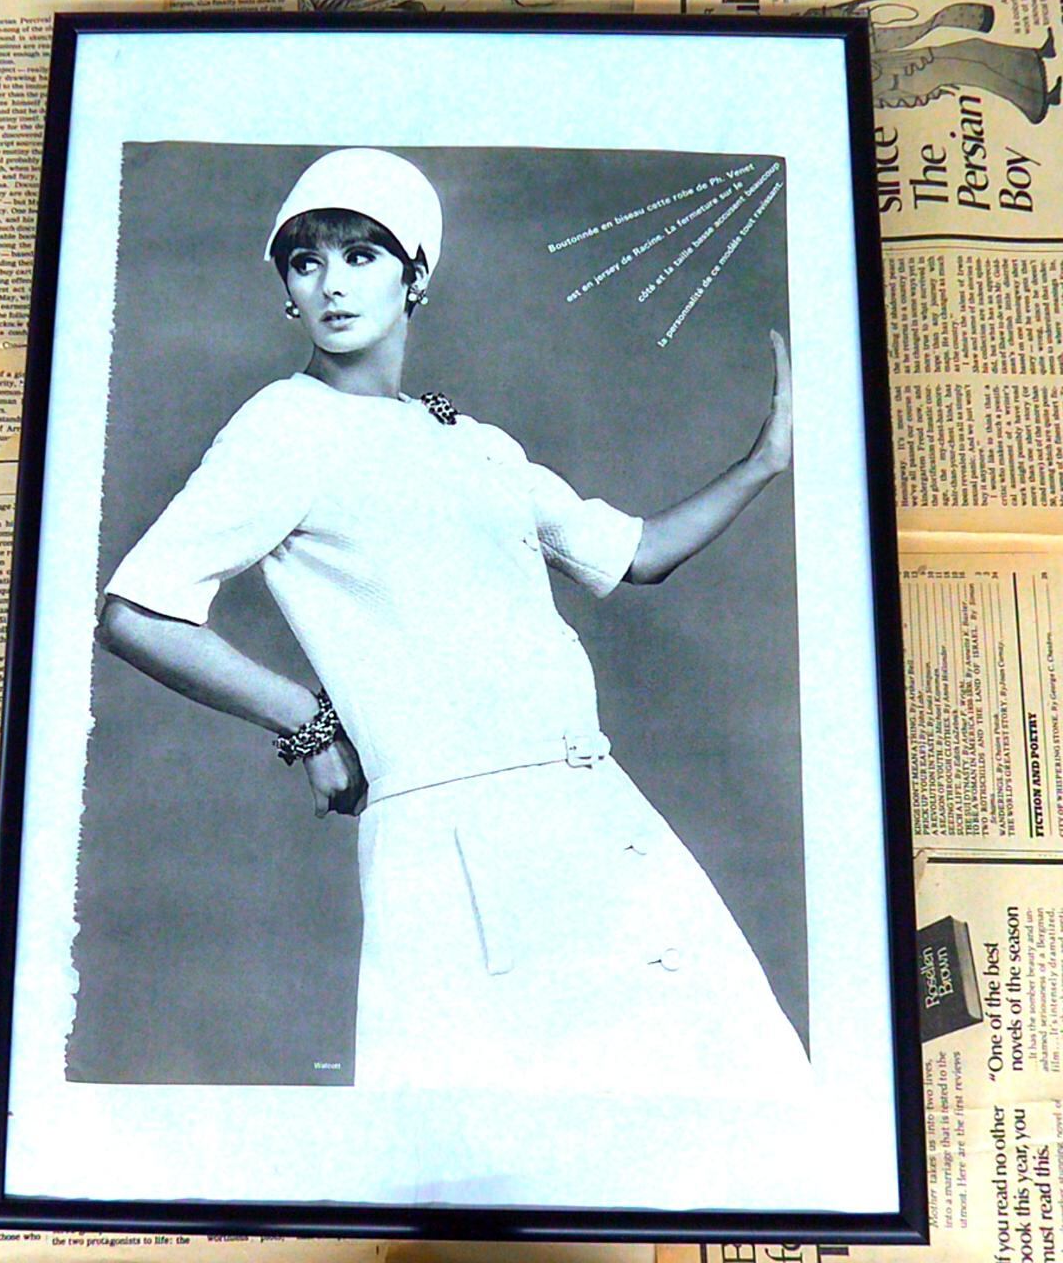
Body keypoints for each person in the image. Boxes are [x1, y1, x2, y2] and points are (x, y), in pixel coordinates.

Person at [97, 148, 809, 1108]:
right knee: (497, 1138)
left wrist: (765, 462)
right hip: (457, 843)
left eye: (361, 256)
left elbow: (634, 553)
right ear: (287, 294)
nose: (331, 283)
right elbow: (138, 611)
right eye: (305, 263)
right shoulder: (284, 425)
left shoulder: (472, 440)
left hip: (598, 815)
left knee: (731, 1100)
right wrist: (311, 724)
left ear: (415, 276)